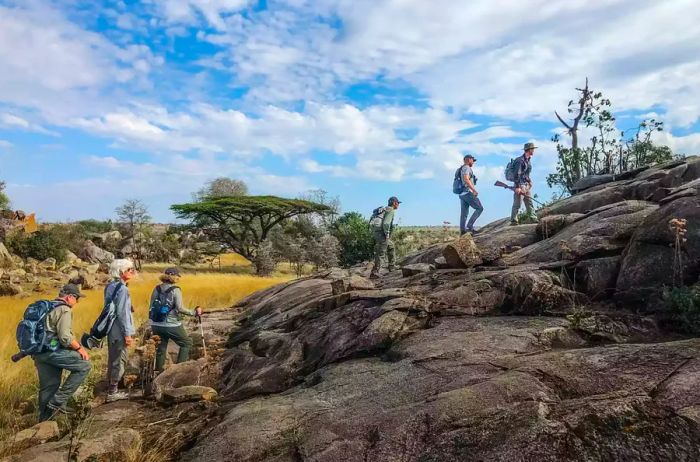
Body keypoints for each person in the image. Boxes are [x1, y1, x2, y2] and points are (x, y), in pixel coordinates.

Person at [32, 284, 91, 421]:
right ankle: (58, 401)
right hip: (52, 352)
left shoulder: (48, 306)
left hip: (39, 353)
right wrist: (79, 348)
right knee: (84, 366)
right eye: (77, 298)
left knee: (48, 386)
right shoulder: (64, 309)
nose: (77, 302)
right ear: (70, 297)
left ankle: (44, 422)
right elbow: (65, 337)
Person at [149, 267, 203, 372]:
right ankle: (178, 371)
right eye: (177, 276)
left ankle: (158, 373)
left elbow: (151, 306)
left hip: (156, 324)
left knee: (161, 347)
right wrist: (194, 312)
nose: (178, 278)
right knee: (186, 343)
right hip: (171, 325)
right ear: (173, 277)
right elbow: (180, 308)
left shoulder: (156, 288)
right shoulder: (176, 289)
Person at [104, 259, 137, 403]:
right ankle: (113, 392)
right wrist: (127, 334)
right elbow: (122, 313)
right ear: (122, 272)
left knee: (112, 359)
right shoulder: (123, 289)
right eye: (130, 270)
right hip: (119, 330)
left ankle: (110, 387)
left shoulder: (110, 286)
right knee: (120, 360)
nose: (132, 272)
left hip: (111, 329)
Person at [369, 196, 400, 279]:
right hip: (381, 233)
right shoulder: (391, 210)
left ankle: (391, 267)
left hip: (376, 232)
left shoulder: (385, 209)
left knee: (391, 246)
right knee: (381, 252)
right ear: (394, 203)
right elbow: (386, 223)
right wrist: (387, 234)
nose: (398, 205)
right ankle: (375, 272)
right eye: (398, 203)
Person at [510, 142, 537, 225]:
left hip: (525, 184)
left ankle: (533, 218)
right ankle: (514, 220)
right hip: (520, 184)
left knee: (529, 202)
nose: (534, 151)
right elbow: (516, 174)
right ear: (529, 150)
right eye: (533, 149)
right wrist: (517, 187)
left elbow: (525, 174)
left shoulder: (528, 160)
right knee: (517, 203)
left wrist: (529, 181)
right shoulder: (519, 160)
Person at [458, 154, 484, 235]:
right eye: (473, 160)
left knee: (464, 213)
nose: (473, 162)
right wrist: (474, 190)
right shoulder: (466, 168)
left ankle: (463, 231)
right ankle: (470, 226)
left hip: (462, 193)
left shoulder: (461, 168)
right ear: (468, 159)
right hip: (467, 192)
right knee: (479, 208)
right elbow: (466, 179)